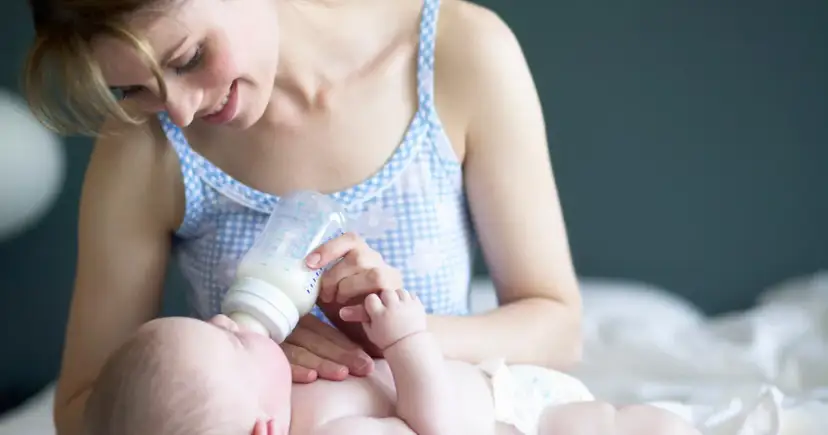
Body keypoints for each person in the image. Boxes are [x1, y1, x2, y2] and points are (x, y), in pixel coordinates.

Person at [24, 0, 582, 434]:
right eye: (134, 88)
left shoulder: (458, 56)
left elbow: (559, 328)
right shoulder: (144, 143)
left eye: (188, 58)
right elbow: (80, 410)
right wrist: (232, 373)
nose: (181, 110)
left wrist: (395, 335)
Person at [85, 288, 700, 435]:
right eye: (230, 343)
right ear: (260, 430)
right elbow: (432, 428)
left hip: (503, 389)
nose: (225, 320)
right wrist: (407, 343)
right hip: (514, 418)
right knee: (628, 425)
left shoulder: (291, 398)